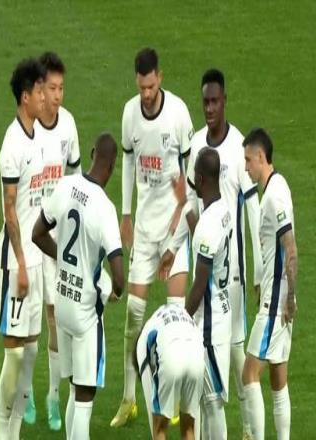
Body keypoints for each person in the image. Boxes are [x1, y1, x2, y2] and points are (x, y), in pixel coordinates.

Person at [160, 68, 262, 439]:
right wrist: (173, 248)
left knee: (237, 367)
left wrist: (259, 273)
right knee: (211, 377)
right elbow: (189, 202)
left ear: (224, 101)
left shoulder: (238, 147)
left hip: (231, 280)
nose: (209, 108)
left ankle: (249, 432)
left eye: (215, 101)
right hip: (208, 265)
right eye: (205, 101)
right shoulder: (197, 146)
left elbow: (252, 212)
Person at [111, 47, 194, 428]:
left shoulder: (177, 113)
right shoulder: (130, 113)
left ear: (160, 77)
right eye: (141, 87)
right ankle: (129, 397)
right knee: (133, 315)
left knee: (177, 315)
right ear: (137, 81)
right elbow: (129, 159)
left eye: (151, 86)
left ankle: (174, 400)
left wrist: (182, 216)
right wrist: (126, 213)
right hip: (144, 231)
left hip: (174, 229)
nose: (146, 94)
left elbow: (189, 172)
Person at [32, 133, 125, 440]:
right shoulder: (105, 208)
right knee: (86, 395)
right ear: (113, 166)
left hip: (62, 303)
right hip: (85, 314)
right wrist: (114, 291)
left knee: (74, 387)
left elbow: (37, 233)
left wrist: (64, 259)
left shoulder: (65, 185)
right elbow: (119, 277)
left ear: (92, 152)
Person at [23, 51, 82, 431]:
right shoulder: (27, 130)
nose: (57, 96)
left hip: (57, 238)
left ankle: (53, 396)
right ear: (39, 89)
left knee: (55, 318)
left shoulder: (68, 125)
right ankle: (27, 391)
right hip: (32, 239)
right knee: (31, 326)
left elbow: (75, 179)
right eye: (51, 88)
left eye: (61, 88)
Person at [0, 58, 45, 440]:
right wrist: (22, 264)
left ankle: (13, 435)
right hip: (15, 263)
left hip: (37, 261)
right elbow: (10, 211)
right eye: (40, 91)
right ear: (25, 97)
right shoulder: (12, 145)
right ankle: (2, 434)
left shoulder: (38, 137)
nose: (45, 97)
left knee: (30, 353)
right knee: (13, 353)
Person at [173, 147, 233, 439]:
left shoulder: (209, 223)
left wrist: (181, 321)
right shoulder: (222, 210)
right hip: (222, 312)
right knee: (208, 400)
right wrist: (187, 209)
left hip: (209, 324)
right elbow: (204, 241)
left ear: (199, 178)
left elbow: (199, 283)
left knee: (211, 401)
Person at [241, 128, 297, 440]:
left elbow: (291, 249)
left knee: (249, 373)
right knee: (278, 377)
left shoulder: (273, 197)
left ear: (261, 157)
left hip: (276, 303)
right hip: (280, 297)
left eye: (249, 160)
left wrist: (289, 298)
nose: (246, 167)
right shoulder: (279, 186)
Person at [135, 304, 204, 440]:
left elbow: (151, 407)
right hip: (197, 356)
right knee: (189, 427)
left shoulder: (142, 346)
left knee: (159, 428)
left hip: (171, 356)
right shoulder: (160, 318)